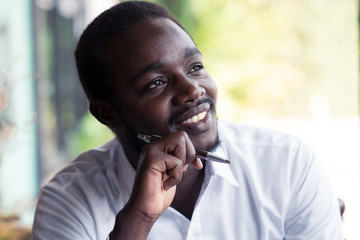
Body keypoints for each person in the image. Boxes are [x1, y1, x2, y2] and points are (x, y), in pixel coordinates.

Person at [32, 1, 343, 239]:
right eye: (156, 83)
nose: (194, 90)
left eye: (195, 67)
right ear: (107, 112)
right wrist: (137, 220)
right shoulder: (69, 201)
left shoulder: (286, 164)